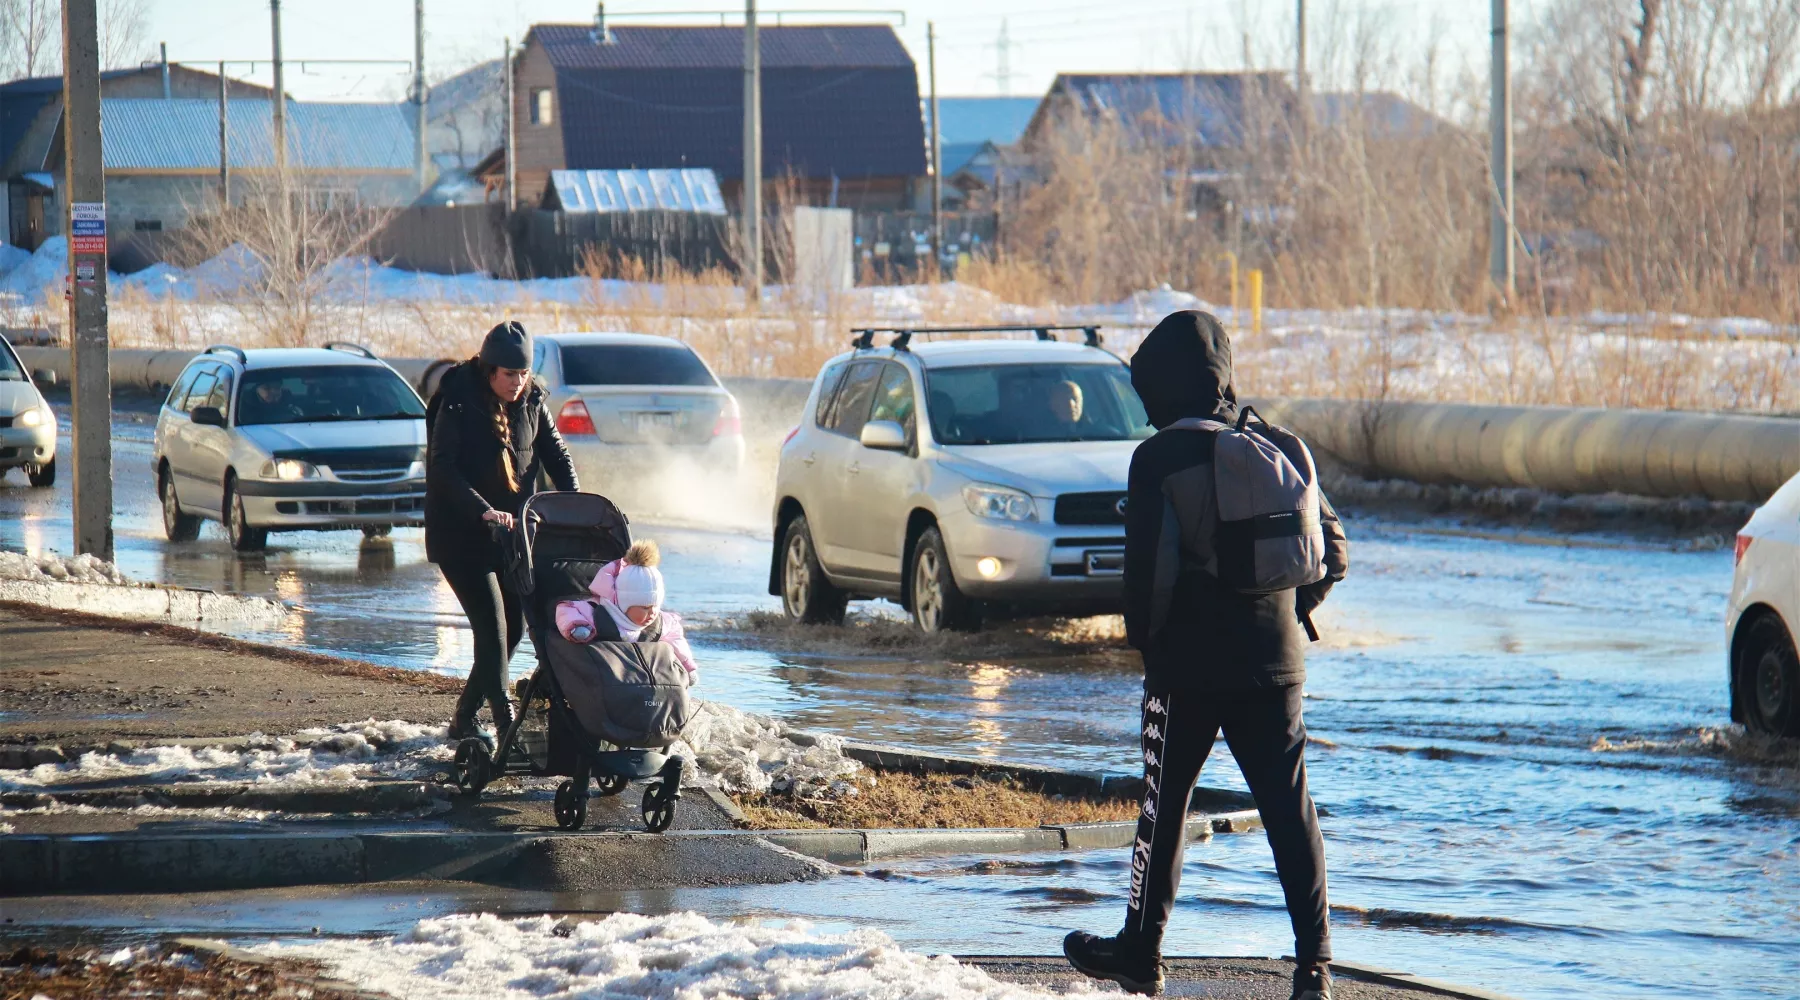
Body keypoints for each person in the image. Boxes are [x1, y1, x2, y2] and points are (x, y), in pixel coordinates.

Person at [1063, 310, 1349, 1000]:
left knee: (1164, 808)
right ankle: (1314, 968)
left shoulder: (1159, 458)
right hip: (1276, 661)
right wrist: (1288, 612)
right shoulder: (1279, 444)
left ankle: (1141, 952)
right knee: (1290, 810)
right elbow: (1332, 553)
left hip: (1187, 667)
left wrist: (1149, 650)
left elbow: (1149, 581)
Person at [425, 321, 579, 741]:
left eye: (523, 374)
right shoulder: (458, 399)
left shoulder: (532, 400)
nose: (517, 383)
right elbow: (443, 468)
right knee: (492, 628)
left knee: (512, 630)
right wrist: (485, 512)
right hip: (462, 535)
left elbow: (557, 456)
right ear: (489, 370)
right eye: (509, 375)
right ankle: (504, 722)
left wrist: (576, 502)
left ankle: (464, 716)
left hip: (512, 536)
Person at [553, 539, 700, 679]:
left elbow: (676, 640)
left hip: (639, 677)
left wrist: (688, 667)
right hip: (604, 673)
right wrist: (577, 625)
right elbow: (567, 609)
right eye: (645, 608)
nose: (652, 613)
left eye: (655, 607)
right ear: (624, 604)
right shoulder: (600, 613)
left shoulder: (662, 623)